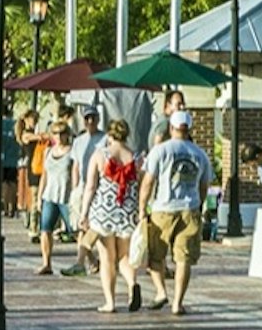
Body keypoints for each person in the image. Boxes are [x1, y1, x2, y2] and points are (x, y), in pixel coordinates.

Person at [138, 110, 214, 313]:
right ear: (189, 129)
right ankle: (177, 303)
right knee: (184, 259)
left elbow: (148, 181)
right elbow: (204, 185)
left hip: (162, 209)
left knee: (156, 256)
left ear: (171, 128)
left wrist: (141, 207)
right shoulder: (200, 154)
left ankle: (161, 291)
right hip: (189, 209)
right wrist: (199, 205)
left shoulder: (160, 150)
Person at [85, 123, 146, 310]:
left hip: (104, 212)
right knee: (125, 256)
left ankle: (110, 302)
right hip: (127, 211)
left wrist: (83, 212)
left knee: (106, 258)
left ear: (109, 135)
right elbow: (143, 186)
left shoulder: (99, 155)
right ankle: (132, 284)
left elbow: (90, 186)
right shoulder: (136, 158)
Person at [34, 118, 78, 274]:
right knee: (45, 229)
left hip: (66, 195)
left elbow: (75, 174)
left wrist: (76, 194)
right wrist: (39, 197)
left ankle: (89, 260)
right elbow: (44, 176)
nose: (59, 136)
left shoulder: (73, 152)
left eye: (62, 133)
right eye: (55, 133)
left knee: (75, 230)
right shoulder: (48, 151)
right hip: (50, 195)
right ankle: (47, 263)